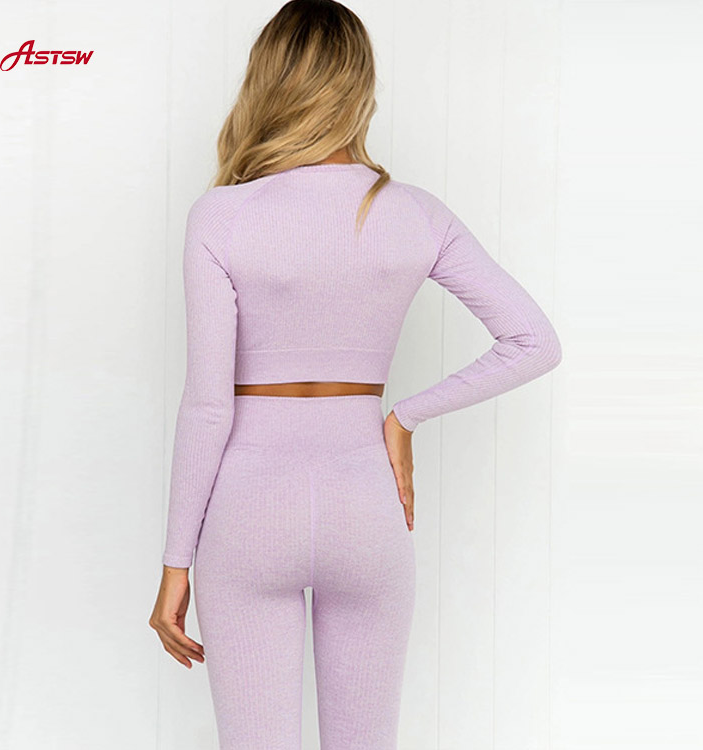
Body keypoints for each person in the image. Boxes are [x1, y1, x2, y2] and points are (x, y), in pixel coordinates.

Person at [148, 1, 562, 747]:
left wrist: (176, 562)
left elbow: (208, 407)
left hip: (247, 514)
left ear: (267, 82)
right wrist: (403, 417)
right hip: (367, 508)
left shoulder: (220, 215)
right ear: (360, 87)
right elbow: (534, 340)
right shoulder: (415, 213)